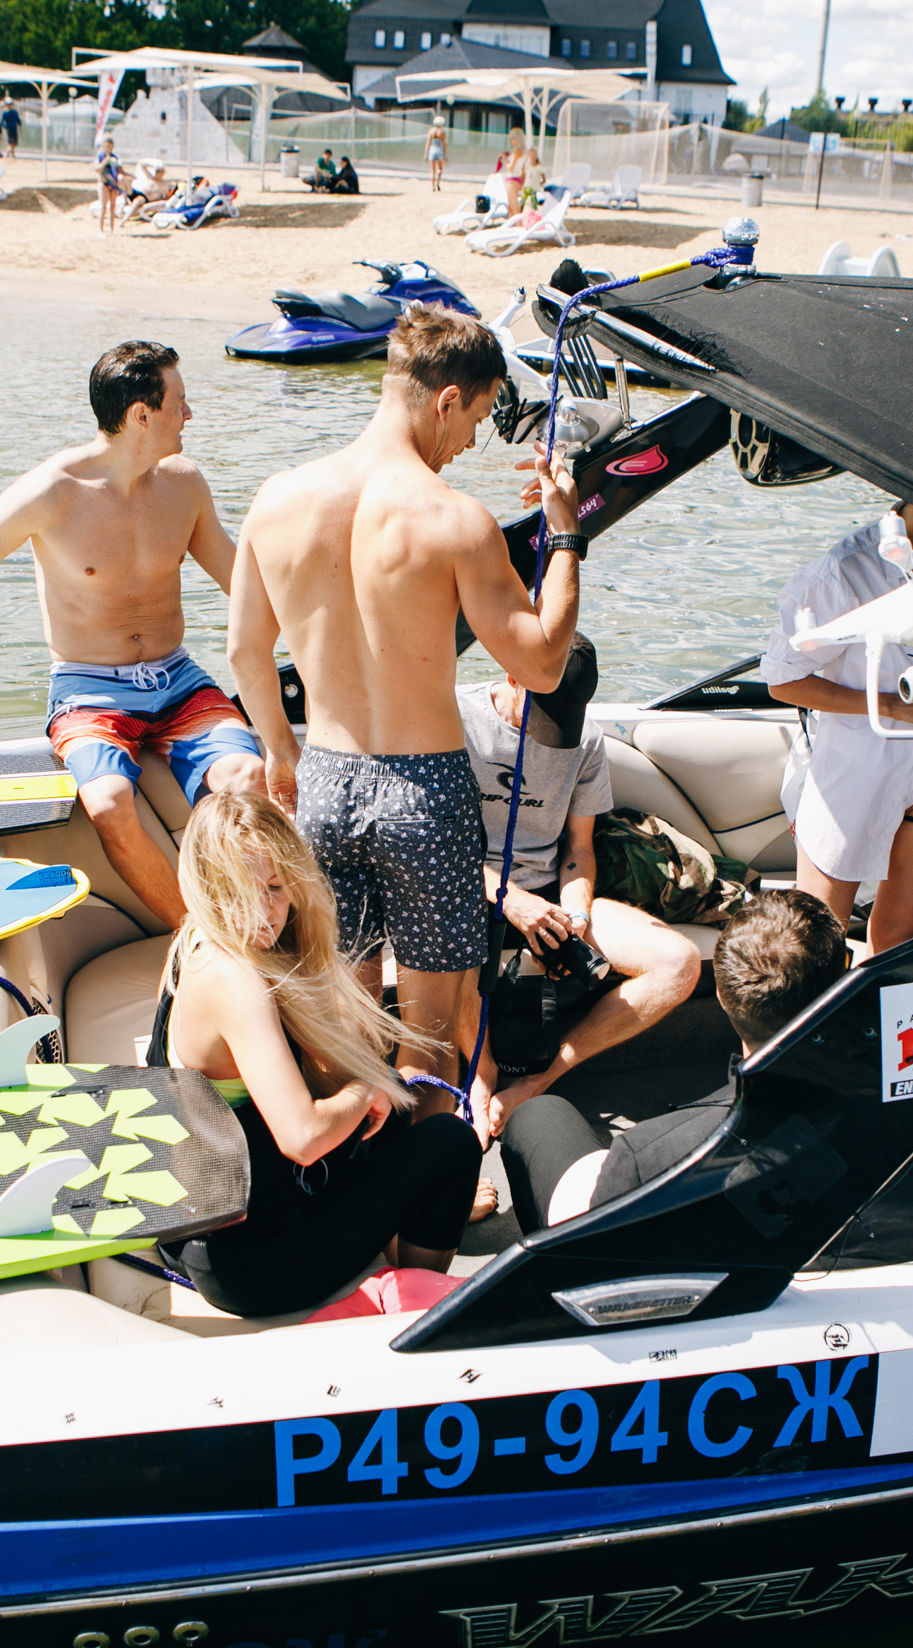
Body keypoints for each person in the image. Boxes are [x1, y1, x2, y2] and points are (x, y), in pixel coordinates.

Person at [228, 307, 584, 1093]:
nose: (467, 444)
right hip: (425, 793)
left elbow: (244, 654)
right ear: (446, 399)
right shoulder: (453, 520)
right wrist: (564, 533)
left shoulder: (277, 499)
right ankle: (424, 1210)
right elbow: (546, 664)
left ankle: (368, 1209)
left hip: (324, 779)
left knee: (349, 1034)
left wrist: (282, 754)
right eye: (480, 420)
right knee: (426, 1045)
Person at [0, 341, 262, 928]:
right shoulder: (55, 492)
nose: (190, 413)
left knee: (249, 778)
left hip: (179, 680)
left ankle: (255, 918)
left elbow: (245, 588)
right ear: (142, 414)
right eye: (180, 402)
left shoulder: (184, 485)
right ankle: (195, 937)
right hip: (89, 690)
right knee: (109, 803)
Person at [154, 792, 483, 1316]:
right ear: (208, 889)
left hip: (201, 1225)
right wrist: (367, 1087)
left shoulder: (194, 944)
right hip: (259, 1267)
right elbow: (303, 1138)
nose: (264, 914)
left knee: (395, 1115)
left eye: (276, 888)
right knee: (452, 1142)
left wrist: (369, 1092)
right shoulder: (236, 980)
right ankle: (414, 1302)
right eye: (241, 892)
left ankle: (393, 1240)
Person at [500, 891, 846, 1231]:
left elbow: (579, 1229)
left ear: (722, 996)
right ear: (844, 973)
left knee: (537, 1115)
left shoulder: (641, 1157)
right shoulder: (891, 1105)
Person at [460, 639, 702, 1124]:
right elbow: (432, 848)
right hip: (463, 885)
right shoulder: (453, 720)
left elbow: (579, 849)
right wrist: (508, 898)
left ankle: (538, 1081)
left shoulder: (584, 740)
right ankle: (481, 1073)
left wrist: (576, 916)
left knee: (680, 964)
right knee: (446, 938)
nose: (554, 732)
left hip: (548, 892)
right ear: (512, 675)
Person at [764, 505, 913, 953]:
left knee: (898, 936)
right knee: (816, 941)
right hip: (857, 765)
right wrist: (888, 705)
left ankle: (877, 1020)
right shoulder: (841, 573)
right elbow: (783, 681)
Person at [95, 136, 122, 235]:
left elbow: (119, 170)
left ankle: (111, 229)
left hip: (113, 184)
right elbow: (97, 169)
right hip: (103, 183)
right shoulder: (100, 156)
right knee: (103, 207)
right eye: (106, 145)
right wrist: (105, 161)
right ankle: (100, 230)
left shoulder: (114, 157)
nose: (108, 147)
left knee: (113, 207)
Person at [425, 121, 447, 190]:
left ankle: (433, 186)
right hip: (440, 151)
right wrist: (446, 155)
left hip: (432, 151)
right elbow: (444, 145)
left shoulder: (430, 132)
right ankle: (438, 182)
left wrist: (426, 154)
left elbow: (428, 143)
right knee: (440, 169)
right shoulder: (442, 133)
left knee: (432, 170)